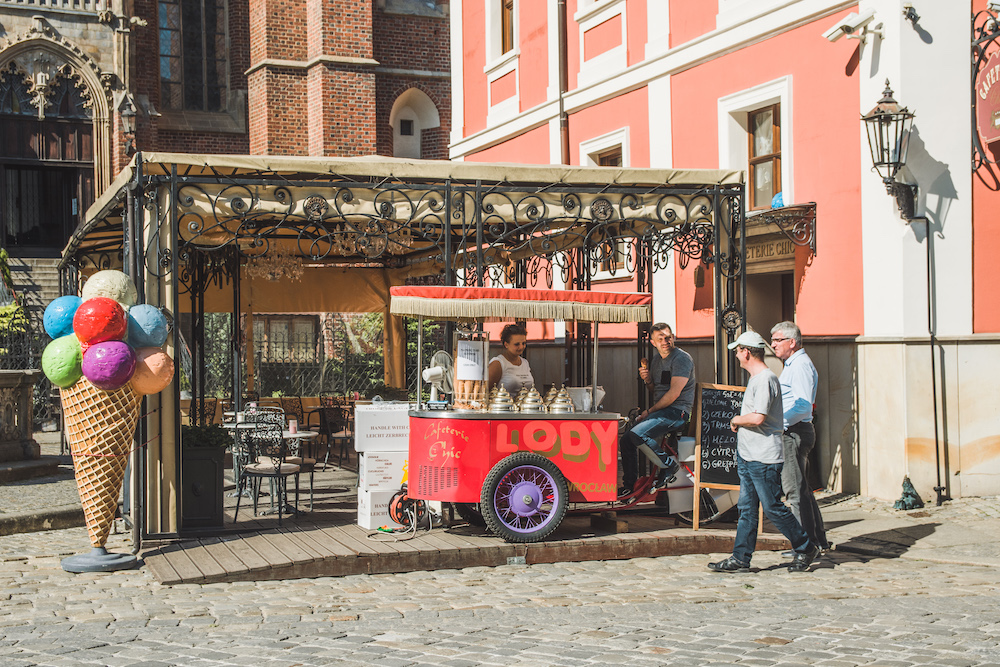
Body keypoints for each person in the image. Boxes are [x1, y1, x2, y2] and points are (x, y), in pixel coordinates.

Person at [708, 331, 819, 573]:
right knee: (746, 509)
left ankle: (805, 546)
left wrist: (737, 419)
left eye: (738, 351)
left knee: (772, 508)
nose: (737, 356)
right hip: (750, 456)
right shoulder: (758, 379)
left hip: (764, 457)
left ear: (746, 352)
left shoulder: (766, 379)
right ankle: (740, 558)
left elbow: (759, 417)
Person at [770, 321, 829, 551]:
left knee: (793, 491)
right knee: (802, 490)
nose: (773, 344)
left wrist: (779, 423)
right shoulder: (793, 364)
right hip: (793, 430)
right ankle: (817, 540)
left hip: (794, 431)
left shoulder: (800, 365)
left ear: (791, 342)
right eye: (772, 340)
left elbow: (804, 406)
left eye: (777, 340)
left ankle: (804, 547)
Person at [619, 322, 694, 497]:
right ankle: (630, 486)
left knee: (638, 434)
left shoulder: (681, 358)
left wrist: (649, 411)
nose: (665, 341)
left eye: (668, 337)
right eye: (660, 338)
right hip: (663, 411)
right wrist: (648, 381)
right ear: (653, 342)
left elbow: (673, 394)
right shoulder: (656, 361)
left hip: (678, 411)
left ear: (673, 337)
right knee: (627, 439)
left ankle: (669, 465)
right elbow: (656, 391)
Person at [488, 323, 534, 395]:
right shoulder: (498, 363)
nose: (521, 347)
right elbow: (485, 390)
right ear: (506, 344)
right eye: (517, 344)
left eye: (524, 343)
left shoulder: (525, 363)